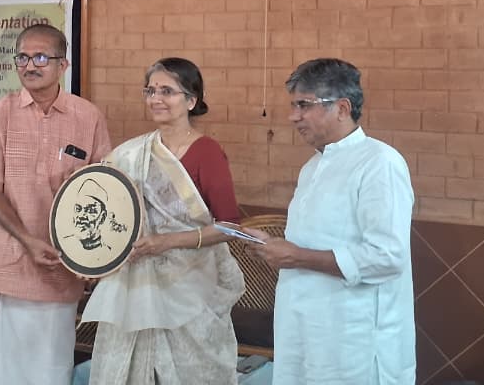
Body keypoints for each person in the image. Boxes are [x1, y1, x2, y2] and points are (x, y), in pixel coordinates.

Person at [245, 58, 415, 385]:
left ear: (342, 108)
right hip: (305, 330)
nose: (294, 116)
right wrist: (273, 248)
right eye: (293, 105)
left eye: (304, 105)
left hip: (353, 340)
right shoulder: (312, 167)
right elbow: (313, 243)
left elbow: (388, 257)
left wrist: (297, 257)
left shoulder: (379, 163)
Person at [82, 57, 245, 385]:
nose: (156, 98)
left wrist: (166, 242)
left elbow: (230, 226)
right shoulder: (131, 154)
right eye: (151, 90)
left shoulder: (206, 152)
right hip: (135, 283)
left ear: (191, 100)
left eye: (167, 91)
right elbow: (108, 209)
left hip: (191, 286)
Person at [0, 23, 112, 385]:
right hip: (11, 264)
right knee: (6, 371)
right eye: (23, 57)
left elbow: (104, 189)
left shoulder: (88, 116)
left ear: (63, 65)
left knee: (52, 370)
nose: (30, 66)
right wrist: (27, 241)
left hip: (62, 269)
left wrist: (93, 259)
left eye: (41, 57)